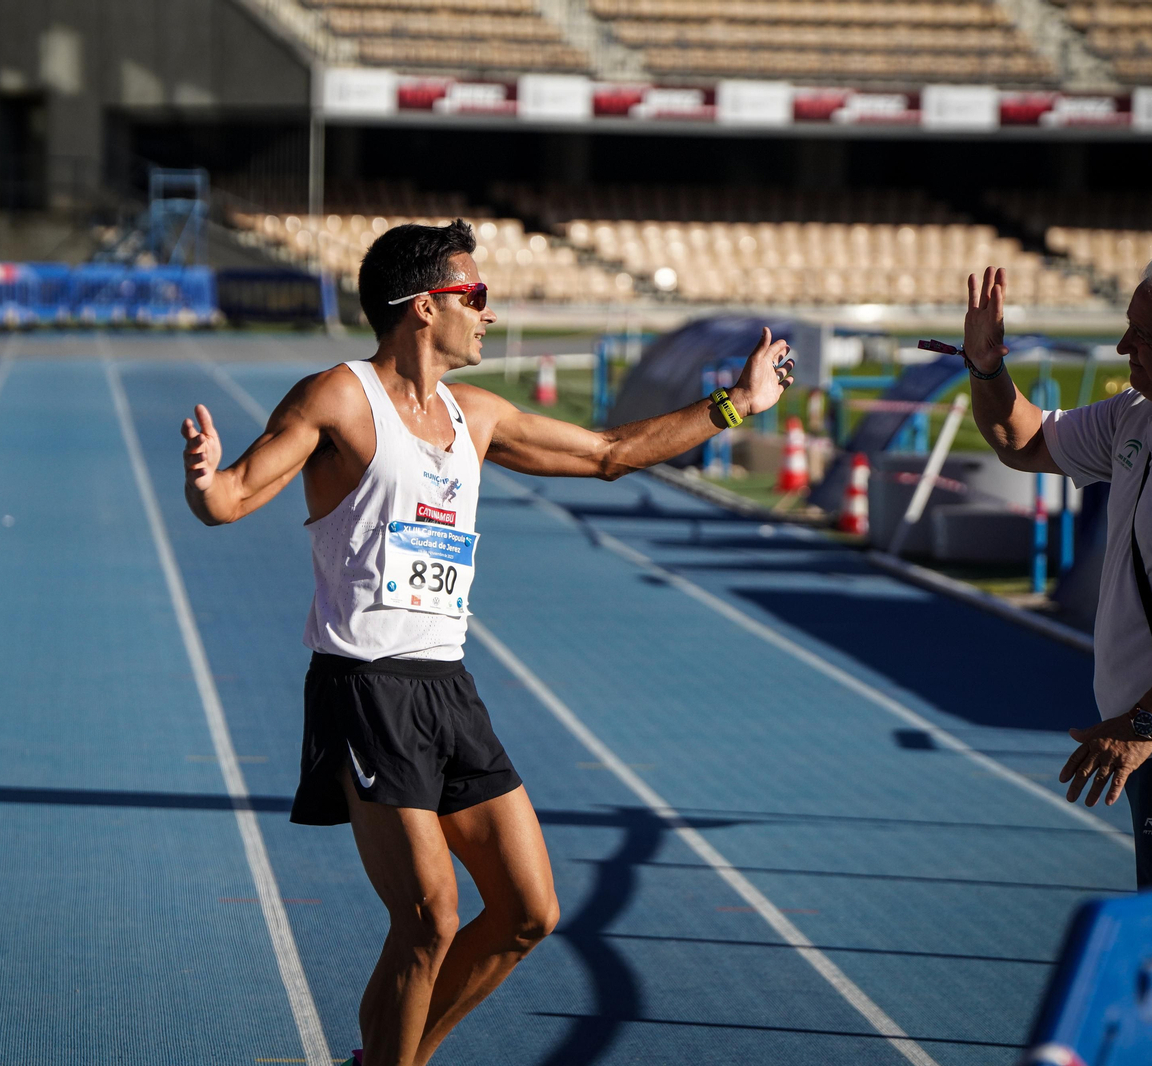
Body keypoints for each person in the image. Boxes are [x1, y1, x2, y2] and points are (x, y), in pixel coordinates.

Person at [180, 219, 793, 1065]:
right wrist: (207, 479)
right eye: (477, 296)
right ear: (424, 307)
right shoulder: (338, 398)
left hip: (447, 690)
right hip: (366, 687)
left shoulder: (476, 415)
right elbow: (235, 498)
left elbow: (612, 453)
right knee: (430, 916)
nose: (490, 313)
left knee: (527, 913)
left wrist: (737, 404)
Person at [962, 249, 1152, 887]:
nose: (1124, 346)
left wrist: (1144, 723)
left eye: (1143, 336)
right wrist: (987, 367)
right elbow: (1025, 443)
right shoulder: (1140, 413)